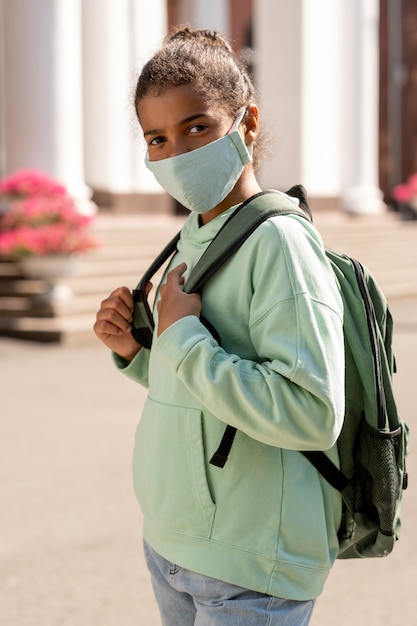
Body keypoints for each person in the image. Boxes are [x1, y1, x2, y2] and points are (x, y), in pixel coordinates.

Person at [94, 26, 345, 626]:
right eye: (157, 138)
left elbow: (311, 410)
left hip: (249, 562)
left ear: (247, 125)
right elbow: (202, 384)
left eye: (197, 128)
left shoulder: (280, 243)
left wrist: (181, 336)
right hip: (176, 545)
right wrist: (139, 352)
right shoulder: (194, 234)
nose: (176, 153)